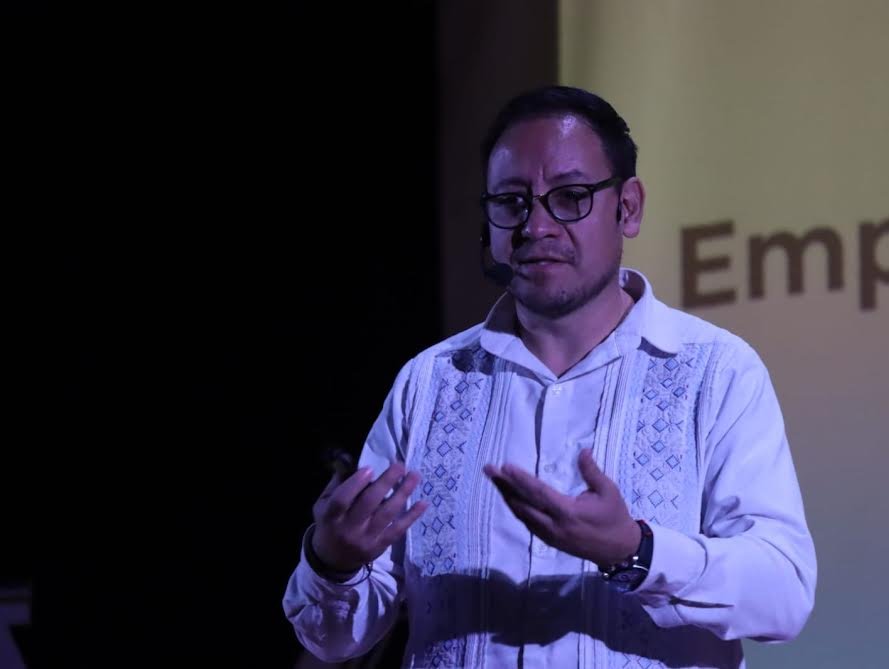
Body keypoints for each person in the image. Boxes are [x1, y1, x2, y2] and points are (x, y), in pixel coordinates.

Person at [283, 85, 816, 669]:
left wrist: (635, 551)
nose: (536, 226)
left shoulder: (715, 371)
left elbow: (784, 594)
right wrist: (333, 562)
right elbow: (333, 640)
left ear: (628, 207)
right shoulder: (430, 383)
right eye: (511, 202)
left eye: (569, 197)